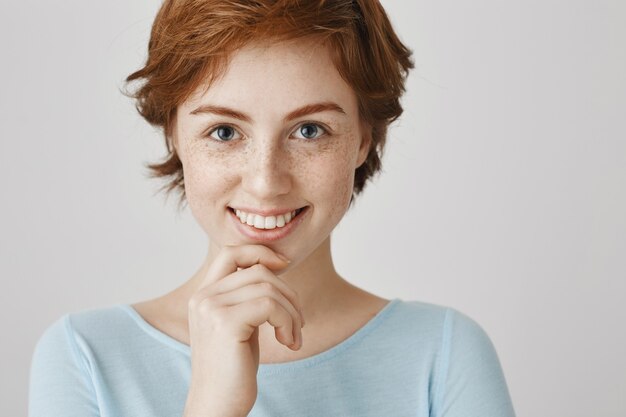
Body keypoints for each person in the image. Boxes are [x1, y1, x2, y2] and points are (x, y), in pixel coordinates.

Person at [28, 1, 516, 416]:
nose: (265, 183)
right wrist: (211, 405)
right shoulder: (85, 357)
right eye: (224, 132)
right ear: (174, 134)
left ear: (363, 139)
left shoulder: (443, 354)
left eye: (309, 131)